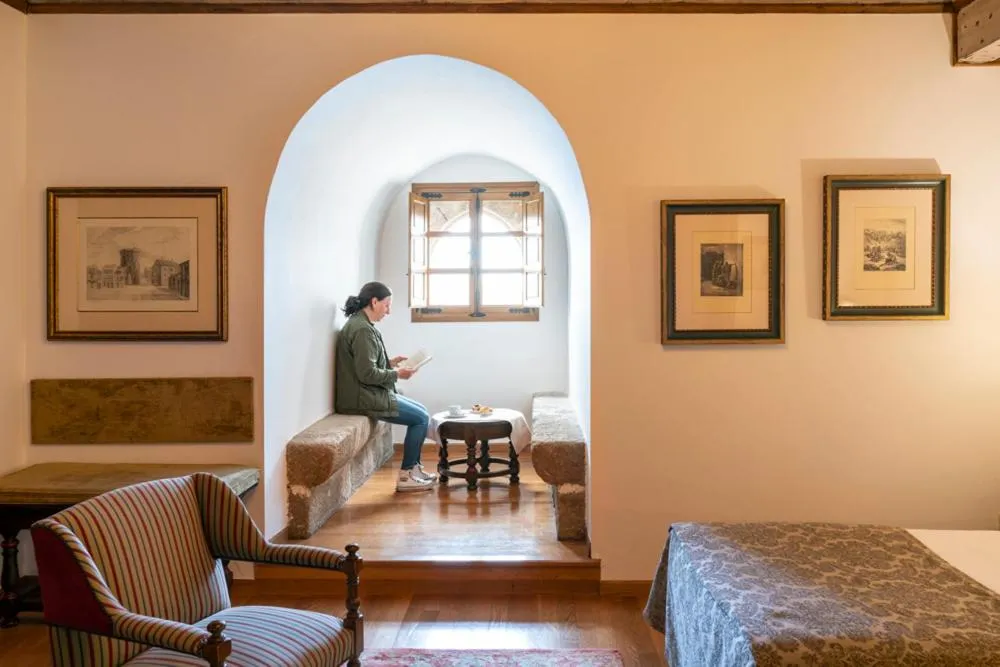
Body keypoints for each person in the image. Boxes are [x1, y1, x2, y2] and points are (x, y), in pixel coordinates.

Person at [334, 281, 437, 492]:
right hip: (361, 397)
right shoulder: (362, 330)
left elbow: (363, 366)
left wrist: (390, 363)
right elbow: (367, 374)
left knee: (422, 412)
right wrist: (398, 374)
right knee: (420, 419)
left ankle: (414, 470)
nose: (388, 311)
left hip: (365, 392)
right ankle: (407, 475)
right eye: (387, 305)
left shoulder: (361, 325)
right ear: (374, 302)